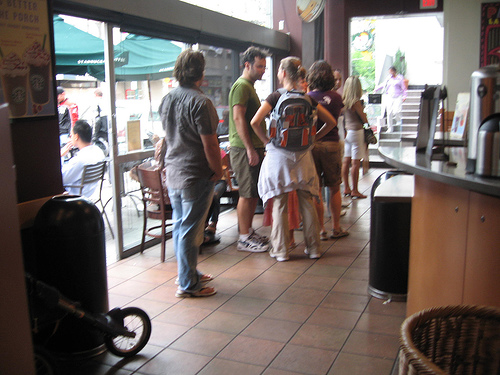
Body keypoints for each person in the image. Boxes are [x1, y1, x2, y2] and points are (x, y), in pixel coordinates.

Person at [250, 56, 337, 261]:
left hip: (279, 155)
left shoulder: (275, 97)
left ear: (284, 73)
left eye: (279, 69)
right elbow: (331, 122)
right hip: (304, 155)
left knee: (280, 201)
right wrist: (313, 138)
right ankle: (313, 248)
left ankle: (281, 251)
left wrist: (266, 141)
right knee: (307, 199)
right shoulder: (308, 98)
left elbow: (255, 122)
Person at [159, 49, 223, 298]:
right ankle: (188, 284)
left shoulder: (167, 99)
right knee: (191, 229)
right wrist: (217, 171)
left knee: (180, 227)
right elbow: (210, 144)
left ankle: (188, 273)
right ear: (201, 72)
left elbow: (168, 136)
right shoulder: (201, 102)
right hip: (196, 174)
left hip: (173, 172)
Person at [228, 46, 270, 252]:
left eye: (264, 66)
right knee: (246, 193)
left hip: (252, 147)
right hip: (244, 149)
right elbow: (238, 118)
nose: (263, 70)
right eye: (260, 66)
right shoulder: (242, 86)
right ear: (247, 65)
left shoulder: (249, 86)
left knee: (252, 192)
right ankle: (243, 237)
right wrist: (249, 149)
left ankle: (248, 231)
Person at [307, 60, 349, 240]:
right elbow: (336, 118)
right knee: (334, 187)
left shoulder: (308, 97)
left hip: (313, 146)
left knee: (316, 189)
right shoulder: (337, 97)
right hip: (332, 144)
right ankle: (337, 227)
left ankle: (321, 229)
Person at [60, 120, 105, 197]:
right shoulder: (99, 152)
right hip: (91, 192)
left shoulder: (79, 160)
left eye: (71, 135)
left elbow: (61, 179)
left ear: (76, 136)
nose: (69, 139)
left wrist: (61, 156)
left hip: (76, 195)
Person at [341, 76, 368, 199]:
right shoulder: (356, 102)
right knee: (356, 162)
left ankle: (346, 187)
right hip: (357, 132)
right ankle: (355, 190)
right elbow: (364, 119)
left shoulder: (343, 102)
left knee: (346, 161)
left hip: (347, 132)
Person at [374, 65, 407, 133]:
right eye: (389, 72)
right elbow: (383, 84)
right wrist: (376, 89)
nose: (390, 73)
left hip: (398, 96)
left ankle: (398, 120)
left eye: (391, 71)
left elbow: (403, 87)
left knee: (397, 111)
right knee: (389, 112)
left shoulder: (400, 78)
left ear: (394, 71)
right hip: (389, 96)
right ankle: (390, 128)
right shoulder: (388, 78)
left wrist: (404, 95)